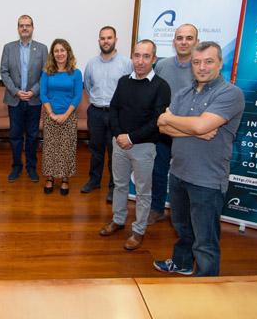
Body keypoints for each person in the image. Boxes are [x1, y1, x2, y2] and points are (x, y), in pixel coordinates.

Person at [154, 41, 244, 276]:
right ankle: (182, 263)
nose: (202, 67)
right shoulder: (184, 93)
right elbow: (162, 126)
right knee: (183, 229)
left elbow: (201, 124)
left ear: (220, 63)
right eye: (196, 62)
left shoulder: (231, 93)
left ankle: (206, 288)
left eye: (208, 61)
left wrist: (184, 123)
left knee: (205, 241)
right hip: (179, 172)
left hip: (207, 180)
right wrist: (194, 129)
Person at [99, 40, 170, 251]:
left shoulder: (161, 86)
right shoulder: (123, 81)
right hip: (119, 143)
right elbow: (114, 109)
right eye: (137, 55)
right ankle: (118, 220)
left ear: (154, 59)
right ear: (132, 57)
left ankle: (138, 231)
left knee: (142, 191)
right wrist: (119, 135)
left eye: (146, 56)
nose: (140, 61)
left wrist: (130, 138)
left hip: (144, 147)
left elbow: (157, 121)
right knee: (119, 185)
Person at [148, 24, 198, 224]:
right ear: (174, 41)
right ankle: (157, 208)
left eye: (189, 38)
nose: (184, 42)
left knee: (186, 177)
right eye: (179, 38)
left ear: (196, 41)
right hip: (163, 130)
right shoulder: (162, 65)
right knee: (159, 172)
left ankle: (185, 216)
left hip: (189, 133)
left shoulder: (201, 68)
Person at [80, 26, 131, 203]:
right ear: (99, 41)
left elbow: (131, 88)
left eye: (109, 38)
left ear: (115, 40)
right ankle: (94, 181)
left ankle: (113, 186)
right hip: (95, 112)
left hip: (116, 114)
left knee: (114, 152)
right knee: (95, 150)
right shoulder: (92, 63)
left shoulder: (126, 63)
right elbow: (87, 85)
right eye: (102, 38)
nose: (106, 41)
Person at [0, 15, 48, 183]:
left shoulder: (42, 49)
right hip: (15, 100)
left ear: (33, 28)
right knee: (15, 135)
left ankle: (31, 167)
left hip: (34, 101)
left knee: (33, 135)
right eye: (22, 25)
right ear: (18, 28)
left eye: (28, 25)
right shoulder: (8, 48)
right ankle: (16, 167)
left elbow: (45, 73)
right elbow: (4, 72)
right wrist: (15, 91)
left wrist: (33, 91)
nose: (25, 28)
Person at [40, 39, 83, 195]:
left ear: (68, 52)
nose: (59, 54)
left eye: (62, 50)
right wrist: (51, 114)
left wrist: (65, 115)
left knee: (66, 148)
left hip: (69, 116)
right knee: (50, 148)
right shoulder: (46, 72)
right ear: (53, 54)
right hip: (50, 116)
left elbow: (77, 96)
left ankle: (65, 179)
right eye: (56, 51)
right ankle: (50, 177)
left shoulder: (76, 73)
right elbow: (43, 94)